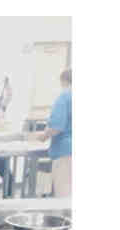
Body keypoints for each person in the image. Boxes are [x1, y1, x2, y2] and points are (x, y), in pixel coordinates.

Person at [38, 68, 72, 196]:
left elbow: (56, 127)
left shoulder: (64, 97)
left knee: (65, 195)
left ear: (64, 81)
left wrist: (43, 136)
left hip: (66, 152)